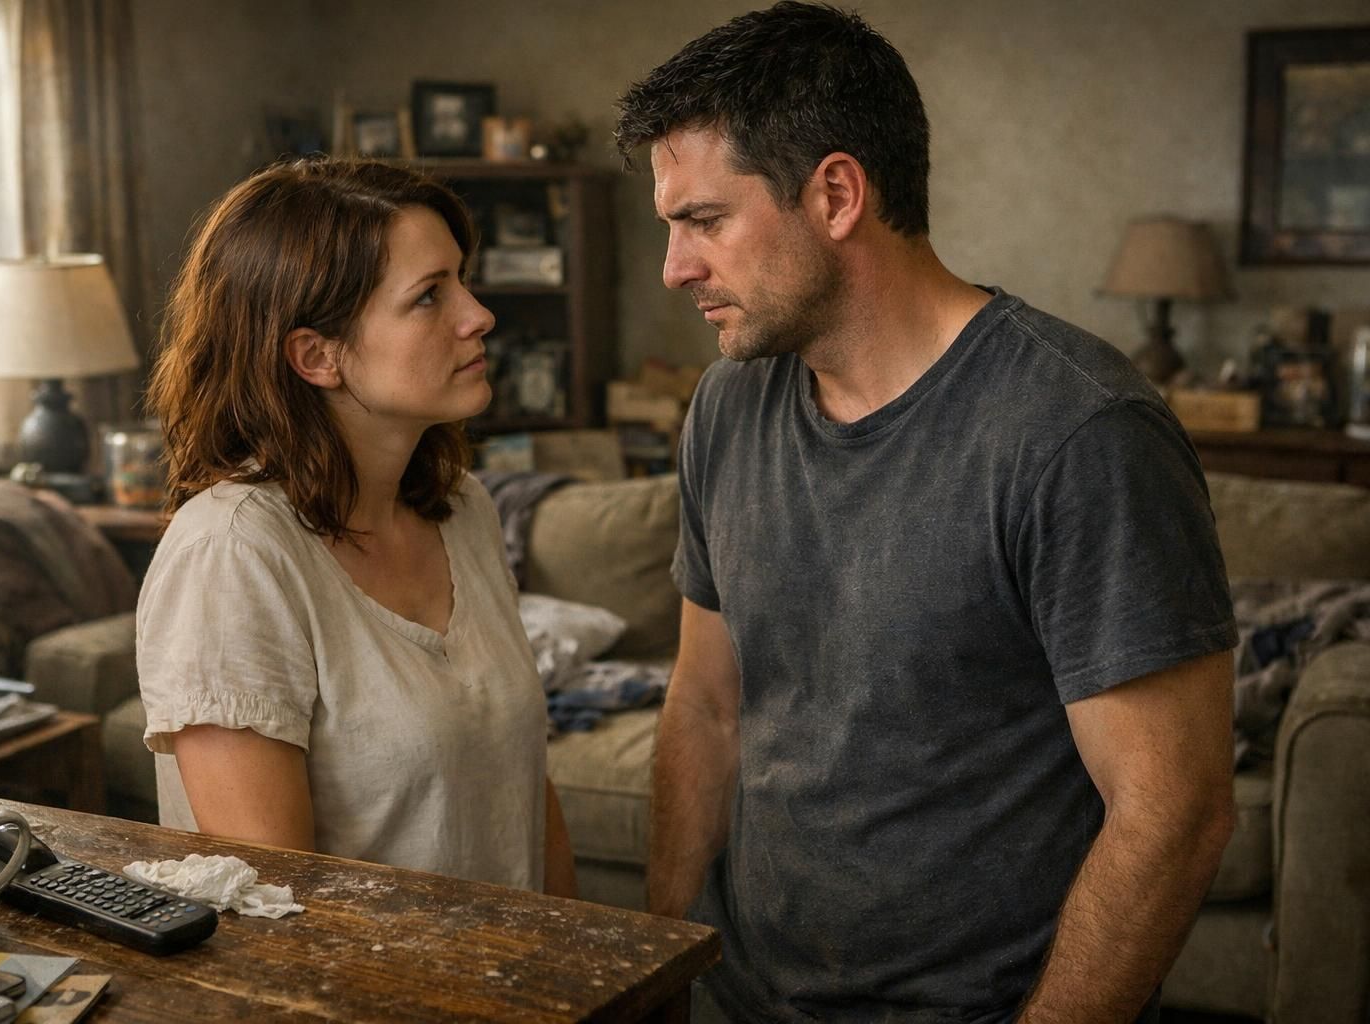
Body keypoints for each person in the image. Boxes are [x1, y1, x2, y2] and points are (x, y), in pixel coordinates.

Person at [614, 4, 1237, 1021]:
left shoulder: (1079, 430)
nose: (676, 268)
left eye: (703, 220)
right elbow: (706, 706)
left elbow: (1174, 813)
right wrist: (666, 981)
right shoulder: (728, 406)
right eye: (670, 226)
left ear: (838, 194)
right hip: (749, 998)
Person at [136, 157, 575, 897]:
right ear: (317, 356)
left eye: (461, 280)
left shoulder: (463, 509)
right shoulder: (232, 554)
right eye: (430, 296)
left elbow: (525, 794)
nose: (479, 315)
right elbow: (280, 900)